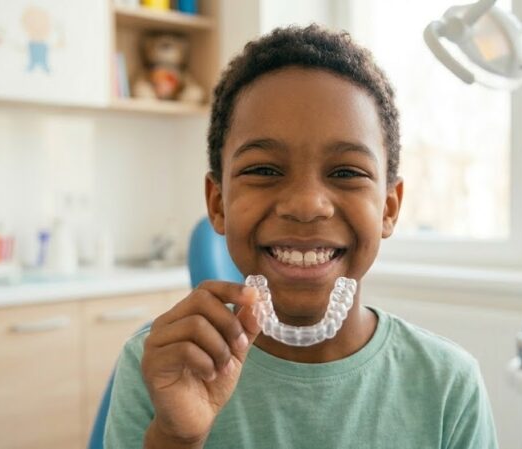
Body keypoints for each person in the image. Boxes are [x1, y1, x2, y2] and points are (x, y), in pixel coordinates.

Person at [105, 25, 499, 449]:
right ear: (218, 204)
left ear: (389, 208)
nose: (307, 204)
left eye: (346, 172)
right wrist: (176, 437)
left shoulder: (448, 387)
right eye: (264, 170)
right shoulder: (161, 367)